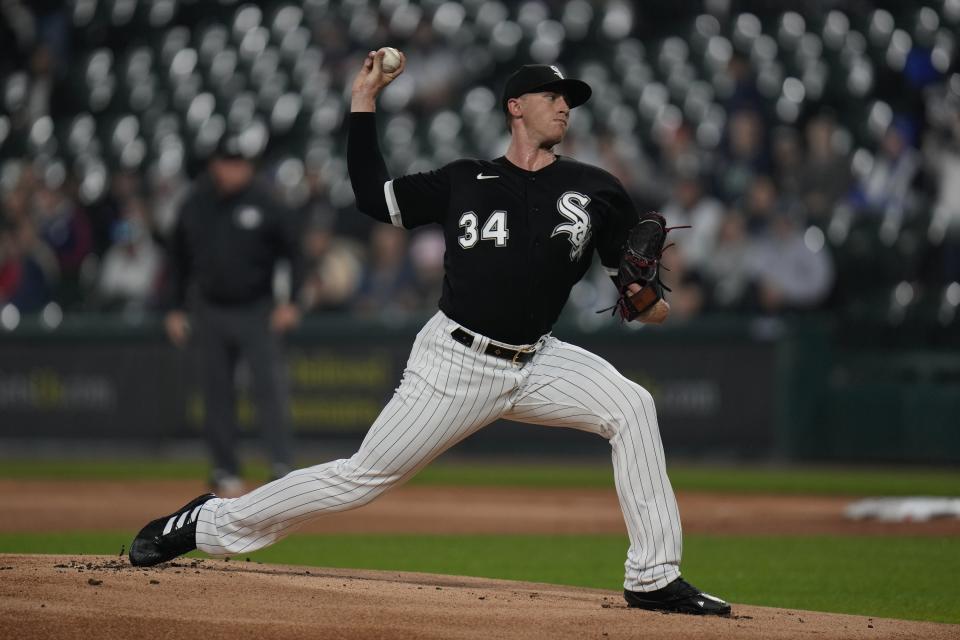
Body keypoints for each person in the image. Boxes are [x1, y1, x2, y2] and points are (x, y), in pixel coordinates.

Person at [130, 55, 731, 617]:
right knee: (359, 479)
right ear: (514, 107)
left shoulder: (597, 190)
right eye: (551, 96)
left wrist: (645, 298)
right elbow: (373, 198)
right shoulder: (464, 179)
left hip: (538, 359)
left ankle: (652, 576)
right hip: (455, 362)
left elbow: (647, 306)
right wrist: (363, 101)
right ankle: (209, 522)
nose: (564, 106)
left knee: (632, 406)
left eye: (569, 99)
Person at [163, 131, 304, 496]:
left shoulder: (265, 201)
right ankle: (225, 468)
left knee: (268, 388)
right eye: (228, 163)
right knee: (216, 392)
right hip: (209, 308)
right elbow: (177, 261)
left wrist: (292, 301)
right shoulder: (195, 203)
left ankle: (280, 464)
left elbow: (295, 252)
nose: (234, 170)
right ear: (215, 165)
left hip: (256, 308)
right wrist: (175, 308)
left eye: (241, 163)